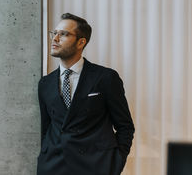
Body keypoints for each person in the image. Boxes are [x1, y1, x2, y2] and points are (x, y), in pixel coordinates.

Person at [37, 13, 134, 175]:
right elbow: (46, 129)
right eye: (54, 33)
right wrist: (45, 157)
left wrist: (115, 162)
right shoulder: (45, 84)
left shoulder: (105, 78)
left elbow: (125, 126)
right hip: (53, 166)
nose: (55, 38)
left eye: (63, 34)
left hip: (95, 166)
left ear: (81, 42)